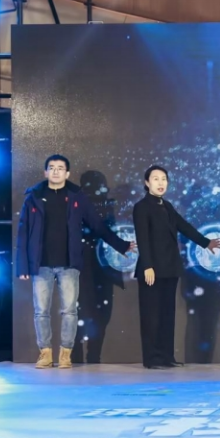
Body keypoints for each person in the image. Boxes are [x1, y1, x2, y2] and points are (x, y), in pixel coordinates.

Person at [16, 155, 135, 370]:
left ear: (67, 173)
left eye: (60, 168)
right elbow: (23, 232)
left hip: (69, 264)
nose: (56, 171)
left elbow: (97, 225)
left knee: (69, 311)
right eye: (52, 168)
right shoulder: (33, 198)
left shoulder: (76, 197)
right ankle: (45, 354)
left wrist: (122, 245)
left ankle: (65, 355)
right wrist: (23, 266)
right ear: (45, 172)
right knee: (41, 311)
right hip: (41, 264)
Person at [133, 165, 220, 369]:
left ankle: (166, 356)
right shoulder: (142, 207)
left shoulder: (167, 206)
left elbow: (184, 227)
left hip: (169, 268)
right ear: (147, 183)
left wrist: (206, 243)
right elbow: (142, 238)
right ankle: (152, 358)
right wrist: (147, 266)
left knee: (167, 314)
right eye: (155, 179)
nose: (160, 183)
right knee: (151, 315)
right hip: (151, 270)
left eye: (163, 179)